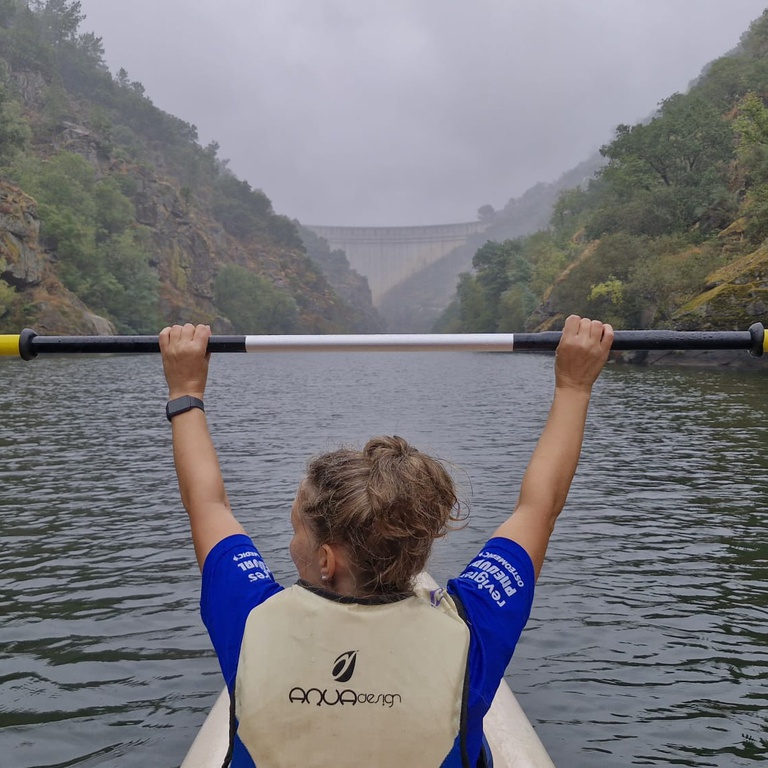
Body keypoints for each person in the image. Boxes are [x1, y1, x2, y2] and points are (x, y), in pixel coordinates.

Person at [159, 314, 613, 768]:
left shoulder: (248, 619)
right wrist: (574, 385)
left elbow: (208, 505)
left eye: (297, 527)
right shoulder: (473, 628)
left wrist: (185, 392)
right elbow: (538, 508)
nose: (291, 538)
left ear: (326, 559)